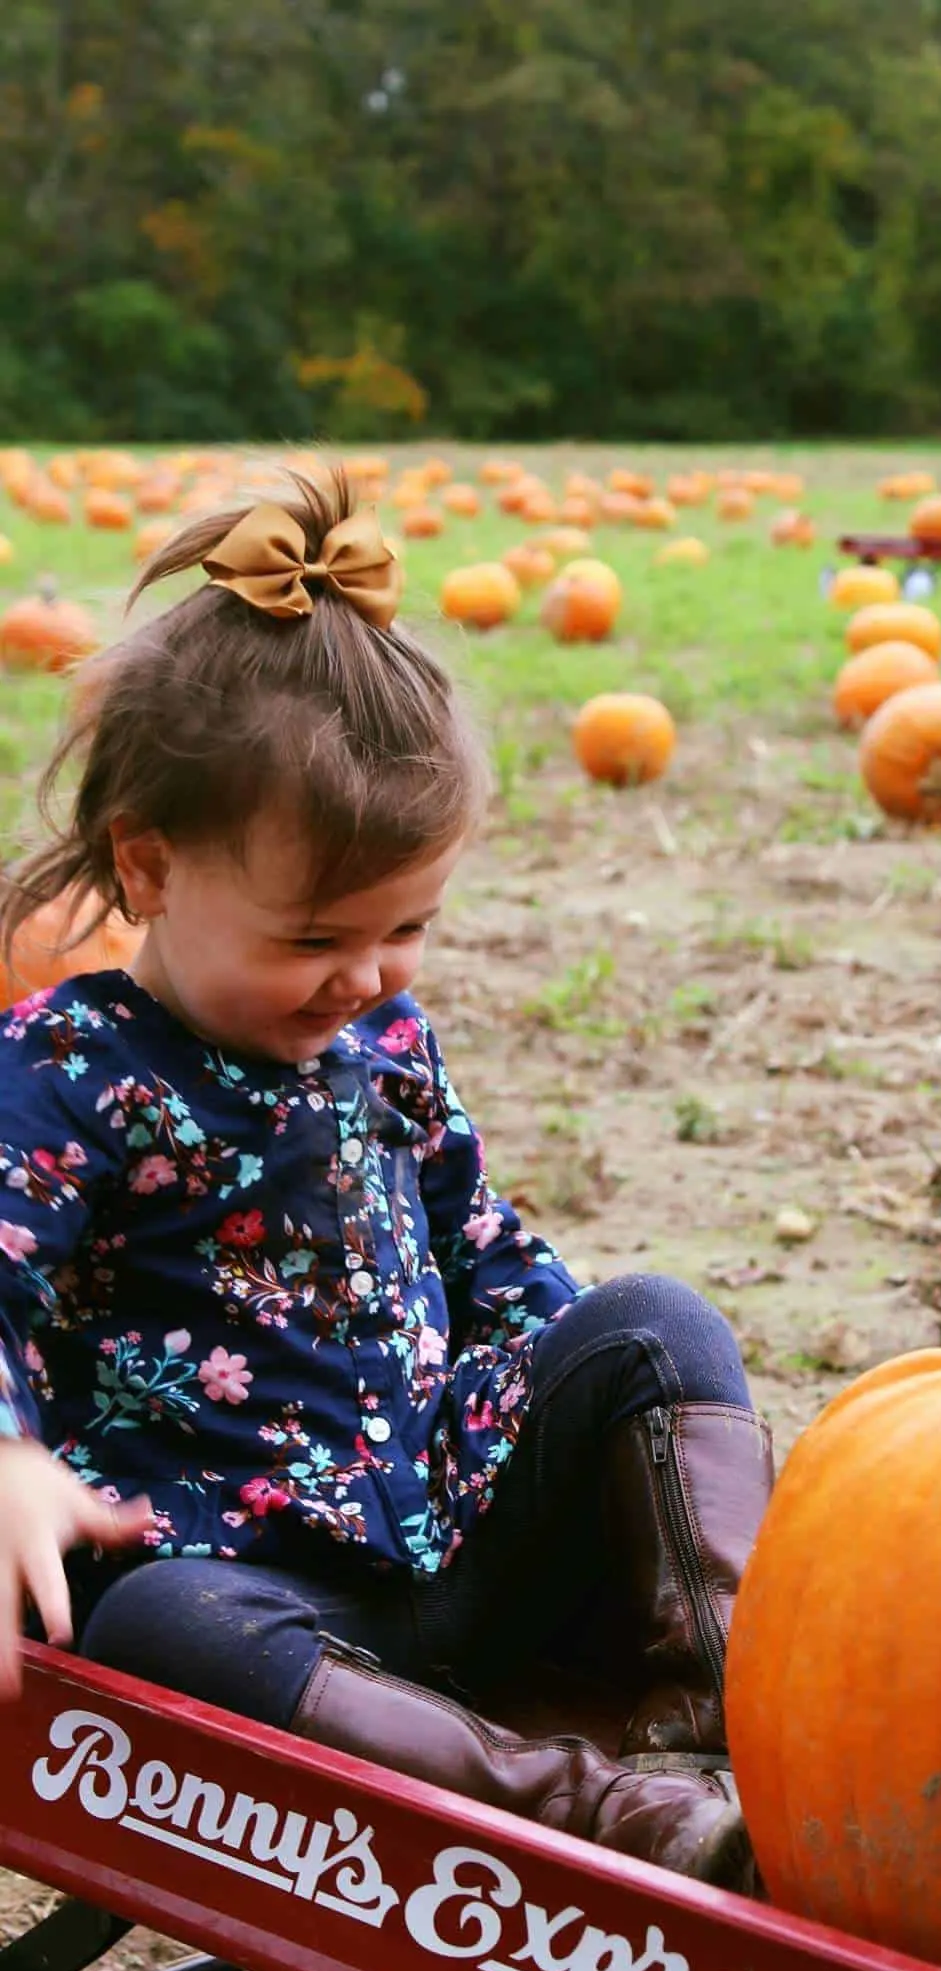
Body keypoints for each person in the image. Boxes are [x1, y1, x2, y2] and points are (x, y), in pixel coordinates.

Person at [0, 471, 773, 1894]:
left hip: (454, 1538)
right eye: (312, 940)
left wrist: (579, 1407)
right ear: (150, 868)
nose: (362, 979)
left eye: (404, 928)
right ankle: (594, 1814)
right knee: (154, 1630)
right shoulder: (66, 1070)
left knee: (655, 1320)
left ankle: (744, 1721)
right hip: (259, 1603)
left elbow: (486, 1256)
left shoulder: (384, 1043)